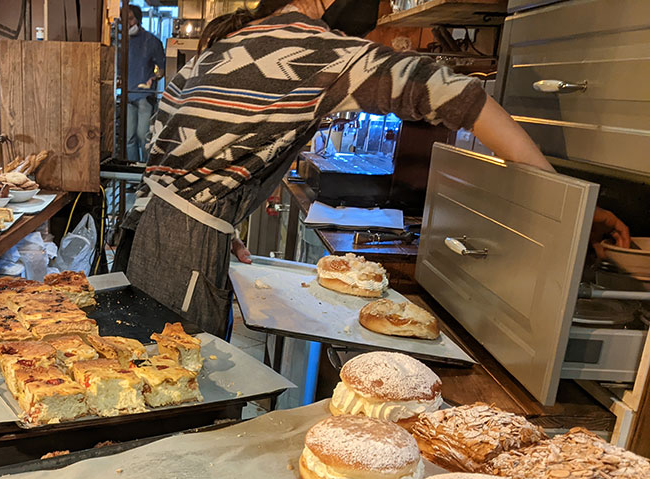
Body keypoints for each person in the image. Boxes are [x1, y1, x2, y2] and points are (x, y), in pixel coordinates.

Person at [119, 0, 630, 337]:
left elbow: (163, 163)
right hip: (181, 256)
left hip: (146, 240)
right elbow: (457, 96)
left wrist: (209, 214)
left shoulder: (216, 51)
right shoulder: (321, 50)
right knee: (175, 386)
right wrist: (562, 207)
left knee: (146, 377)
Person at [125, 4, 164, 163]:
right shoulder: (123, 43)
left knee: (143, 136)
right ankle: (132, 174)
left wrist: (153, 78)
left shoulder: (151, 41)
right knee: (129, 138)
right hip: (127, 95)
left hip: (144, 96)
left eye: (131, 19)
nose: (128, 24)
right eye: (125, 20)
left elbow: (161, 69)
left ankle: (146, 173)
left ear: (138, 19)